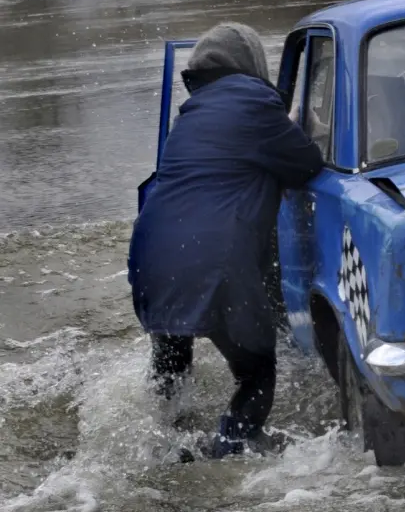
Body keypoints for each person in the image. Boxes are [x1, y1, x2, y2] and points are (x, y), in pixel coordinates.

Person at [127, 22, 325, 459]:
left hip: (151, 258)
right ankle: (230, 450)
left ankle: (162, 444)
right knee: (255, 371)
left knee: (172, 363)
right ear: (255, 65)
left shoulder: (192, 114)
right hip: (214, 264)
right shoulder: (255, 105)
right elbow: (307, 164)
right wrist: (303, 127)